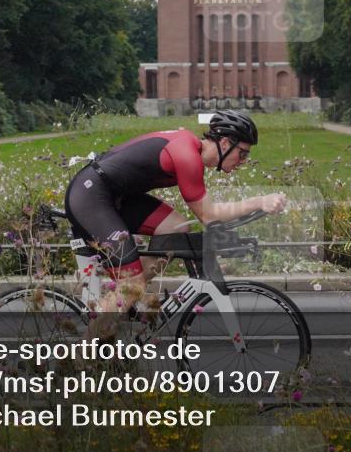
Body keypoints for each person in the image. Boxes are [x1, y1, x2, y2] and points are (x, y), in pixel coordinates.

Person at [63, 110, 286, 316]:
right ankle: (84, 354)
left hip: (116, 196)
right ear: (226, 142)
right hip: (91, 196)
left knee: (176, 229)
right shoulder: (187, 155)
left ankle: (121, 298)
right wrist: (259, 201)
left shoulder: (191, 149)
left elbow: (207, 216)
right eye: (242, 154)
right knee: (133, 286)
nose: (243, 162)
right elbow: (209, 216)